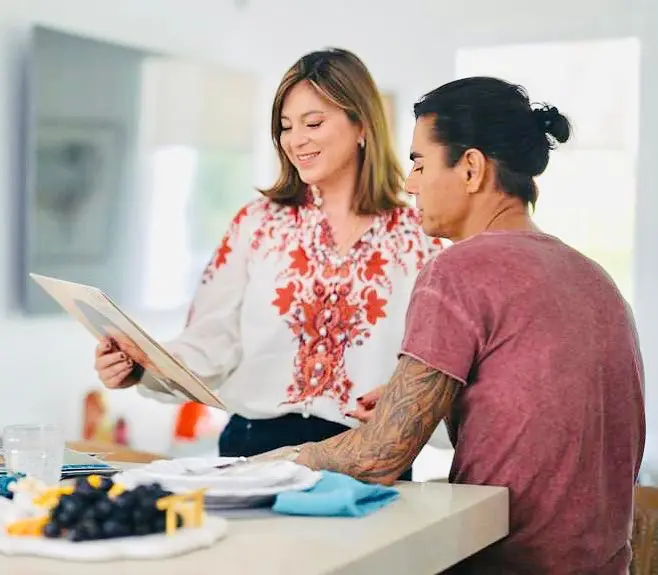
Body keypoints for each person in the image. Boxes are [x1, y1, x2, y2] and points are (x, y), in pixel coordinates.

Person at [276, 77, 646, 573]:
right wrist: (420, 395)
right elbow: (540, 419)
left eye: (419, 163)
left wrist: (279, 463)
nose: (409, 183)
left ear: (470, 168)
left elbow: (381, 454)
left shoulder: (457, 270)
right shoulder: (595, 279)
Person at [93, 48, 440, 479]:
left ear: (362, 124)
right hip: (250, 454)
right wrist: (140, 366)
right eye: (286, 127)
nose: (297, 139)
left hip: (366, 458)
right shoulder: (256, 225)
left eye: (313, 123)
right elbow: (211, 340)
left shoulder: (418, 236)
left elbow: (436, 365)